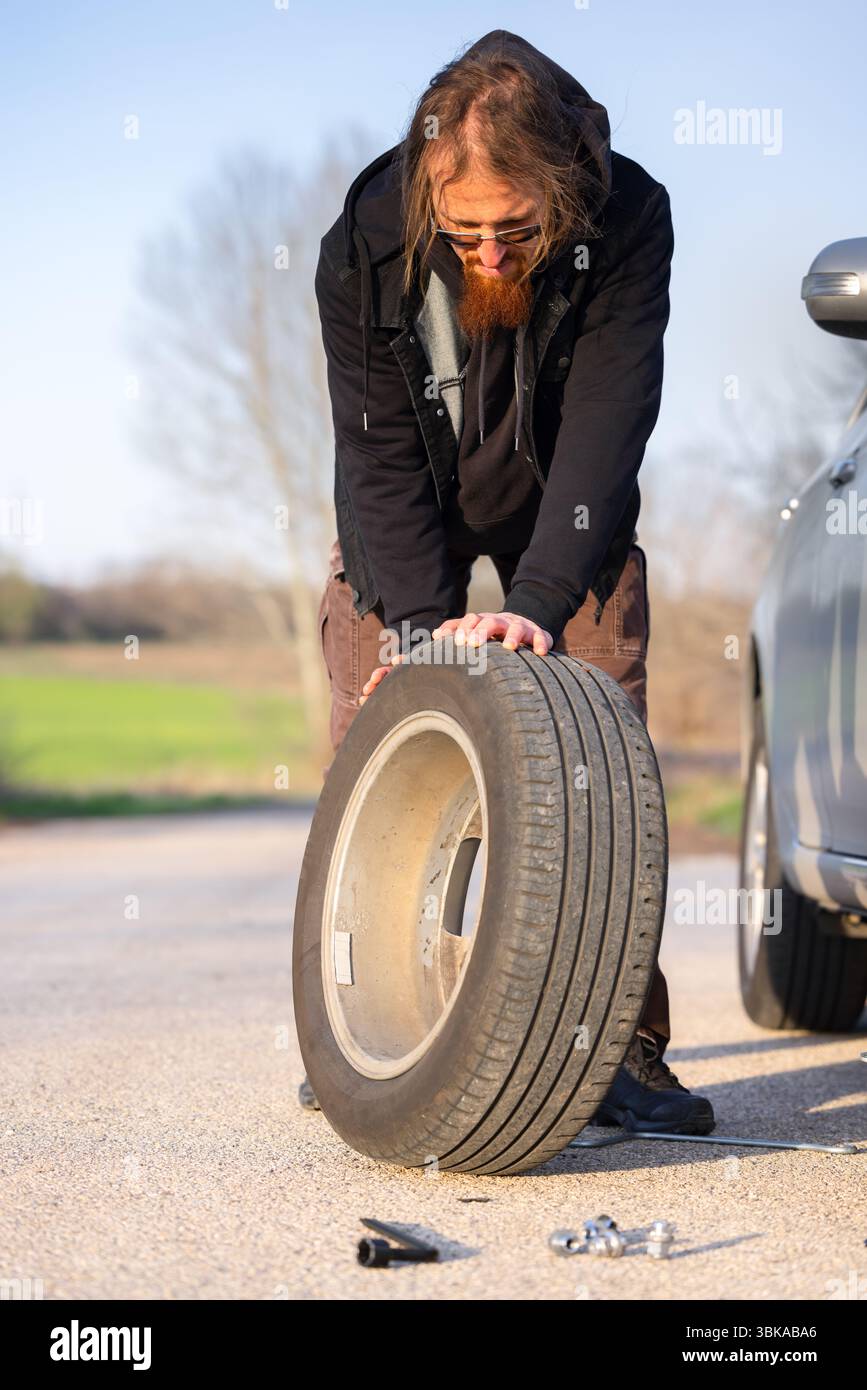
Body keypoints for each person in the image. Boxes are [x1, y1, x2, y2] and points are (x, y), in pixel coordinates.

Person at [299, 29, 714, 1135]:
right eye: (465, 228)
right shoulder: (367, 238)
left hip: (567, 509)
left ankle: (622, 1044)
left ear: (565, 196)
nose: (487, 252)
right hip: (411, 512)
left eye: (516, 229)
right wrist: (419, 624)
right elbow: (374, 444)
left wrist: (537, 604)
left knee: (604, 758)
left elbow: (611, 418)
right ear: (431, 188)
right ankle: (363, 1029)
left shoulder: (631, 220)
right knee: (379, 724)